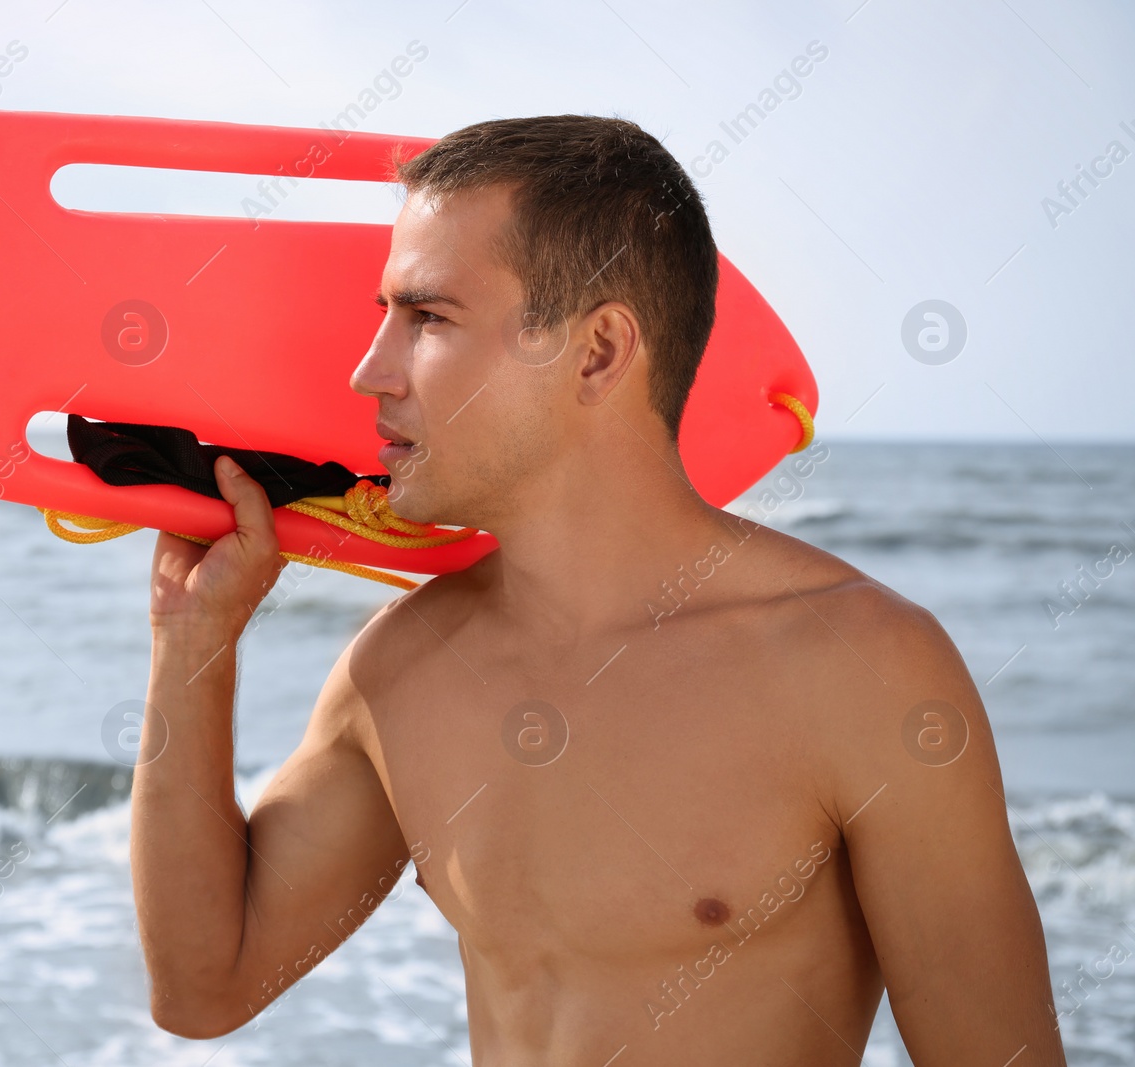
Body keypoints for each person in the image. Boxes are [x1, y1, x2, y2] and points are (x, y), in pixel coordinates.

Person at [128, 114, 1065, 1064]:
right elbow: (207, 986)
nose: (370, 370)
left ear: (599, 351)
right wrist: (191, 642)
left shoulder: (861, 669)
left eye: (428, 318)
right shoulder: (402, 666)